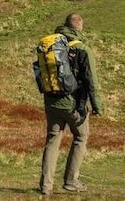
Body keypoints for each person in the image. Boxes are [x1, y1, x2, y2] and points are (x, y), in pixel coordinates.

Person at [39, 13, 103, 196]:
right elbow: (92, 82)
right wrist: (97, 107)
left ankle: (46, 186)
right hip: (72, 103)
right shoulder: (83, 49)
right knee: (81, 136)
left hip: (51, 101)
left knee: (53, 139)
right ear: (79, 27)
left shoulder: (51, 46)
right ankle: (71, 181)